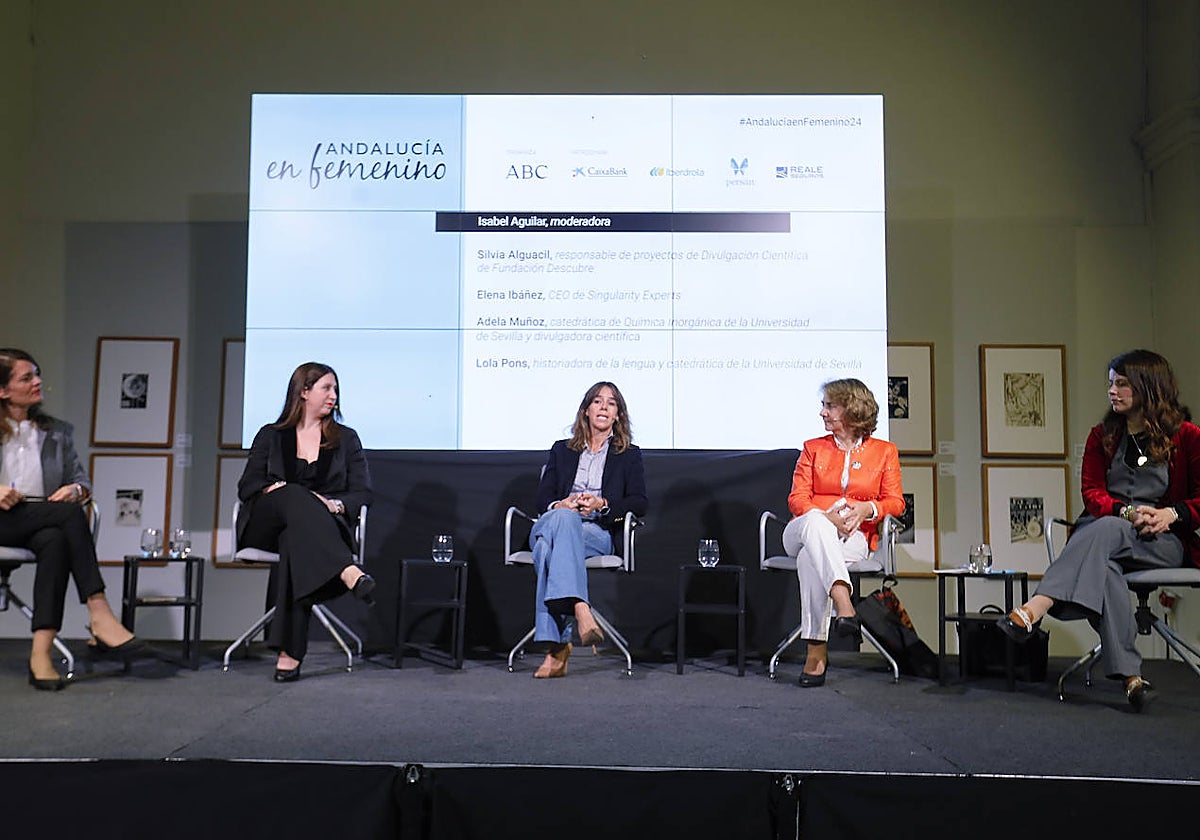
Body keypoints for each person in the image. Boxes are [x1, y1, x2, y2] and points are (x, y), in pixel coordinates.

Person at [997, 349, 1200, 712]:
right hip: (1109, 532)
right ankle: (1132, 679)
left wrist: (1171, 513)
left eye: (1122, 384)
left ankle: (1037, 606)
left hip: (1162, 540)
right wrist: (1125, 511)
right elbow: (1092, 493)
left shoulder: (1187, 436)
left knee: (1103, 532)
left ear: (1148, 387)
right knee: (1106, 561)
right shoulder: (1102, 436)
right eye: (1110, 383)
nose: (1112, 391)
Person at [0, 348, 140, 691]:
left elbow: (82, 481)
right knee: (66, 518)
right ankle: (98, 610)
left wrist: (76, 490)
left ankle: (41, 655)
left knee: (56, 539)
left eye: (37, 374)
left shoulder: (58, 432)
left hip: (39, 520)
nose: (38, 382)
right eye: (26, 377)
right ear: (3, 390)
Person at [237, 362, 374, 682]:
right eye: (327, 388)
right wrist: (275, 490)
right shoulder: (271, 436)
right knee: (295, 495)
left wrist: (336, 504)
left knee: (294, 540)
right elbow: (247, 486)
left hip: (320, 530)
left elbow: (362, 493)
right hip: (266, 525)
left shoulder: (346, 439)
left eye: (336, 389)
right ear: (304, 392)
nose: (334, 396)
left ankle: (289, 653)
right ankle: (347, 570)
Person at [782, 378, 904, 687]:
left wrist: (868, 510)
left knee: (811, 559)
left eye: (829, 406)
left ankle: (815, 652)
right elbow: (797, 499)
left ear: (851, 409)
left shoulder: (885, 452)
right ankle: (844, 603)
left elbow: (896, 503)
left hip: (853, 537)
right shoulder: (813, 449)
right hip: (801, 531)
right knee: (814, 527)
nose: (822, 412)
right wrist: (826, 518)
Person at [527, 381, 647, 678]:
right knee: (562, 521)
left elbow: (639, 502)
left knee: (544, 549)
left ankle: (557, 649)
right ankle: (580, 607)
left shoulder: (628, 455)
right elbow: (542, 499)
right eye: (597, 401)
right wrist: (562, 505)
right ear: (586, 410)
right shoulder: (561, 450)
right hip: (555, 521)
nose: (604, 407)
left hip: (595, 531)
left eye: (611, 403)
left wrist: (601, 504)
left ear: (618, 415)